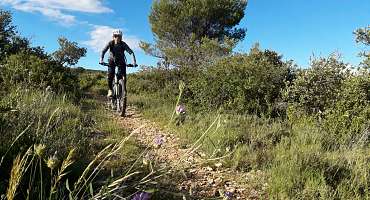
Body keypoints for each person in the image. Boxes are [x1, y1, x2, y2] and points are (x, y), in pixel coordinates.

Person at [100, 29, 137, 98]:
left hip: (121, 61)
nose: (117, 37)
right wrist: (101, 60)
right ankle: (110, 90)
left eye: (119, 36)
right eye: (115, 36)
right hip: (111, 61)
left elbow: (131, 53)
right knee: (110, 75)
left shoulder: (123, 44)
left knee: (123, 75)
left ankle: (123, 90)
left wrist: (134, 62)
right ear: (113, 37)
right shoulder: (110, 43)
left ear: (121, 37)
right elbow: (103, 51)